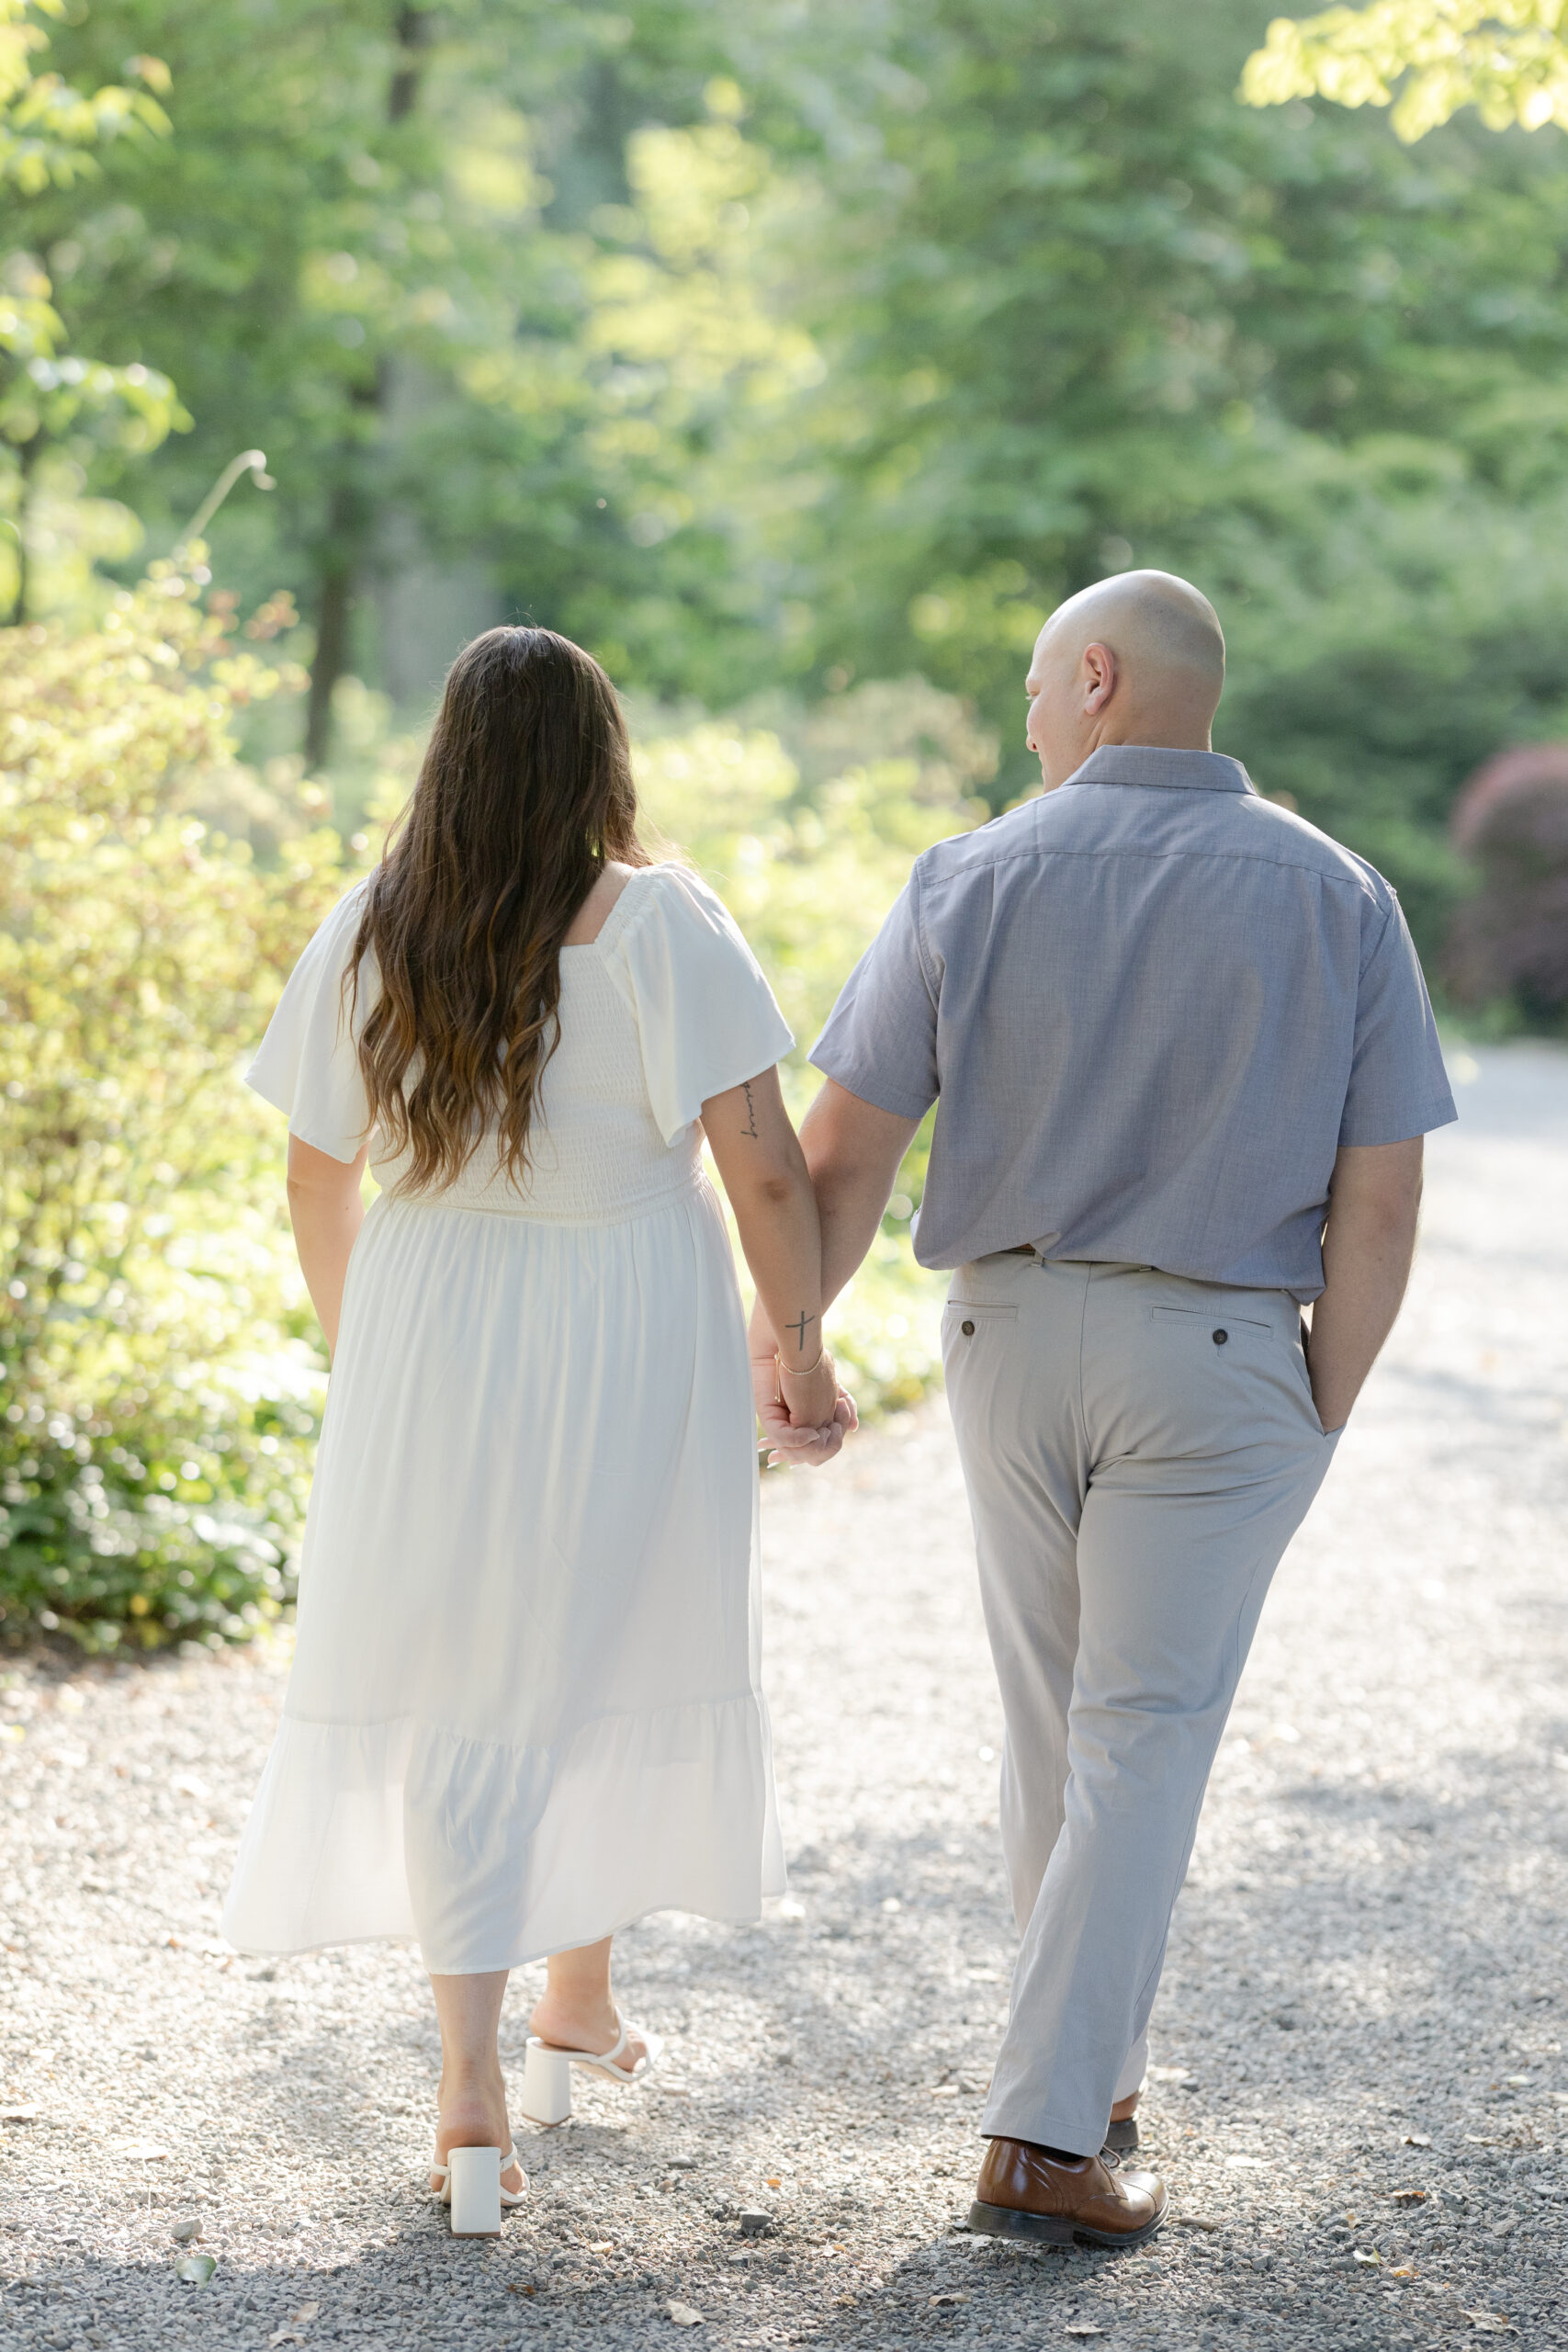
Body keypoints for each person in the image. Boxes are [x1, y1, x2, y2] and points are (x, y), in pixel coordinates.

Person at [753, 571, 1456, 2246]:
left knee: (1059, 1732)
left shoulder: (968, 876)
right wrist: (1319, 1412)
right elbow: (1382, 1206)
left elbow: (839, 1155)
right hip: (1219, 1361)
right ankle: (1046, 2137)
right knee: (1139, 1740)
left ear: (1095, 677)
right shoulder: (1341, 896)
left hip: (1004, 1338)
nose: (1026, 722)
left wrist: (792, 1346)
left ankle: (1091, 2079)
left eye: (1029, 692)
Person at [222, 627, 852, 2233]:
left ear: (446, 758)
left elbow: (316, 1170)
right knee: (617, 1629)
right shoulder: (660, 922)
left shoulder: (373, 926)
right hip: (627, 1314)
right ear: (599, 760)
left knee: (459, 1673)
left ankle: (480, 2080)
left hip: (430, 1317)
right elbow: (764, 1165)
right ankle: (573, 2002)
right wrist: (800, 1338)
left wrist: (370, 1349)